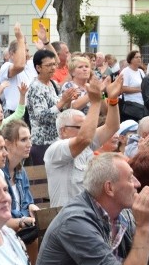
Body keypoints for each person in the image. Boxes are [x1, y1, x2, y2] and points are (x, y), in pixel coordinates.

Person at [42, 74, 123, 207]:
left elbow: (112, 126)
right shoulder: (56, 149)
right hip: (68, 218)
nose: (88, 130)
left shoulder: (86, 144)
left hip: (88, 213)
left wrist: (113, 99)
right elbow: (84, 138)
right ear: (63, 131)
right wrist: (96, 102)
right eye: (81, 127)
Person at [26, 48, 75, 163]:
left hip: (56, 140)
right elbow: (41, 117)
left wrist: (68, 100)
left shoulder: (53, 84)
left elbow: (61, 110)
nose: (53, 68)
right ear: (38, 68)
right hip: (43, 143)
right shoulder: (36, 87)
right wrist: (62, 102)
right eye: (48, 65)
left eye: (54, 64)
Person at [1, 120, 40, 234]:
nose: (29, 144)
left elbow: (27, 202)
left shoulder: (21, 172)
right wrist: (23, 217)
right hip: (5, 231)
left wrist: (31, 206)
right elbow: (3, 217)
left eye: (30, 138)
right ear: (7, 143)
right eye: (23, 140)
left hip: (21, 229)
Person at [0, 24, 36, 113]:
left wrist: (46, 42)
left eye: (27, 51)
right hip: (14, 113)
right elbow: (19, 66)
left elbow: (55, 62)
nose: (26, 54)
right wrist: (20, 39)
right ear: (11, 54)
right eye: (23, 51)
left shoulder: (31, 64)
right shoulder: (6, 66)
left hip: (31, 113)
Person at [118, 50, 147, 121]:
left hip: (141, 105)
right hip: (130, 105)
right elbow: (123, 89)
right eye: (136, 57)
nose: (139, 59)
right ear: (130, 59)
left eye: (140, 57)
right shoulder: (126, 71)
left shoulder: (141, 71)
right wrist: (139, 89)